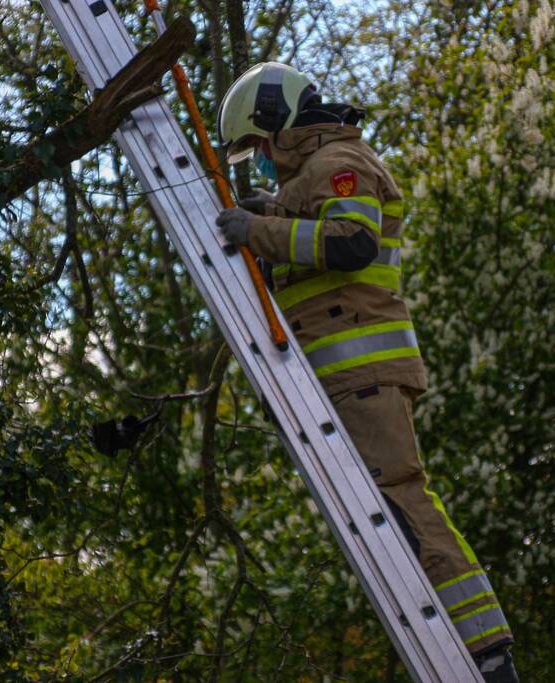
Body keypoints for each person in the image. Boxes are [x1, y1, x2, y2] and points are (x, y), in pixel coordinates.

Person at [214, 62, 519, 682]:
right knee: (389, 513)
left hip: (364, 375)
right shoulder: (315, 171)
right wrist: (274, 212)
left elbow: (352, 242)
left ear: (279, 122)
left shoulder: (337, 161)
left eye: (261, 145)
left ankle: (486, 656)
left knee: (401, 503)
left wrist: (260, 229)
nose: (264, 160)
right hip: (346, 382)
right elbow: (313, 242)